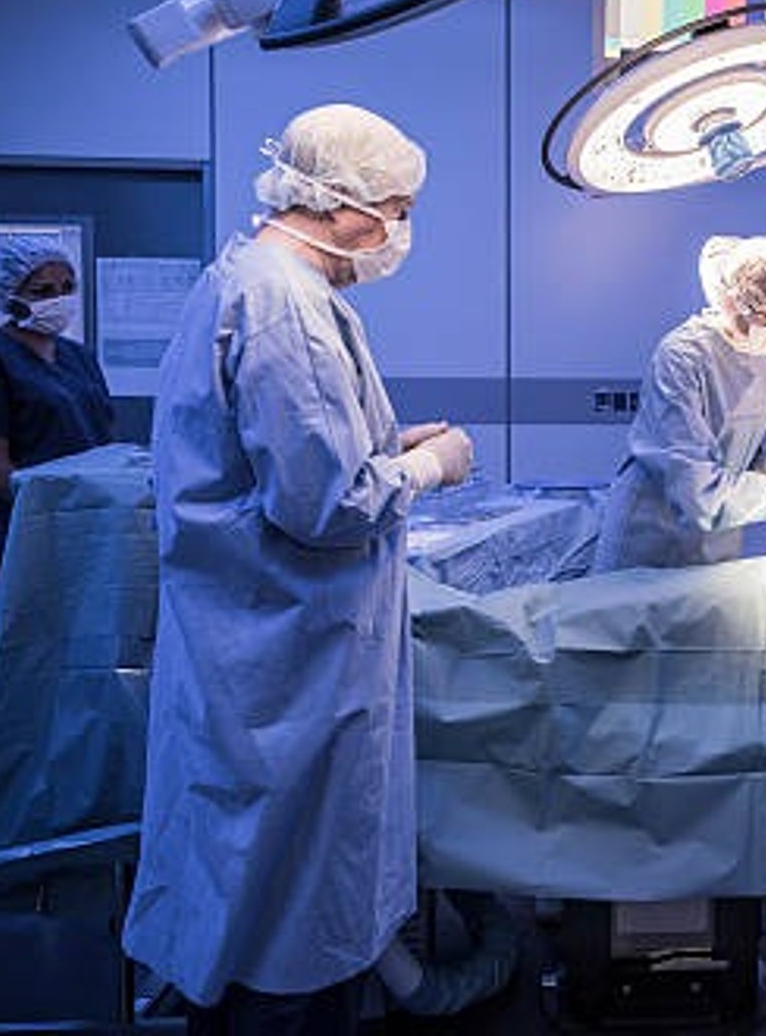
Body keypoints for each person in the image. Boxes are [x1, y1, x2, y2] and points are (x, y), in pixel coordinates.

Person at [123, 103, 476, 1035]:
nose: (400, 230)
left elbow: (281, 452)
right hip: (289, 667)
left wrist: (385, 442)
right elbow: (326, 507)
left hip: (261, 651)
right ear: (338, 200)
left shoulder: (253, 280)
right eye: (397, 209)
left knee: (256, 897)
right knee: (288, 916)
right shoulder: (287, 306)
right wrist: (430, 468)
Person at [592, 234, 766, 572]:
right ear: (733, 302)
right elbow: (693, 485)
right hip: (651, 533)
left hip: (716, 537)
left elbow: (740, 447)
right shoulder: (682, 357)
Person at [0, 235, 114, 667]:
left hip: (87, 522)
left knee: (81, 650)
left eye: (67, 287)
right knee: (22, 652)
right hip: (25, 527)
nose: (59, 299)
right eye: (42, 291)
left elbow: (101, 443)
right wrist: (47, 512)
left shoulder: (78, 357)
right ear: (10, 296)